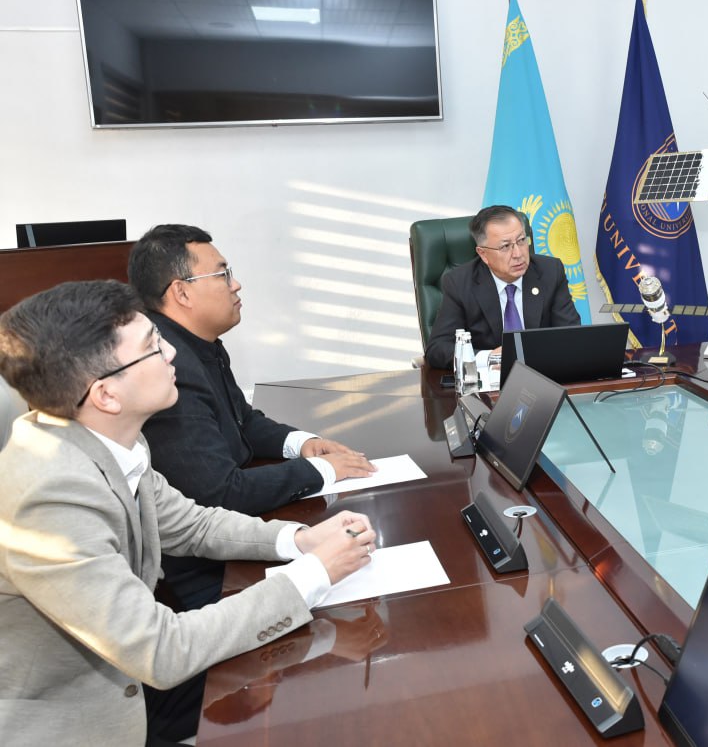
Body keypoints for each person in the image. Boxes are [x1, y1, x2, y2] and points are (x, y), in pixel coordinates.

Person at [0, 280, 378, 745]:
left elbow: (191, 524)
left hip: (132, 672)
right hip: (83, 719)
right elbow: (160, 649)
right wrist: (315, 573)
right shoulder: (47, 499)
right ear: (106, 395)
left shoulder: (108, 438)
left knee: (306, 673)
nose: (173, 353)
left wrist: (300, 540)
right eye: (153, 347)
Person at [128, 224, 376, 611]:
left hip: (235, 541)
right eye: (223, 274)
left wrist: (302, 444)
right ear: (182, 292)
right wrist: (321, 470)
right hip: (209, 573)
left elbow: (242, 420)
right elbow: (221, 493)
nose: (236, 284)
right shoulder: (169, 368)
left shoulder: (197, 345)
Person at [424, 205, 580, 369]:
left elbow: (571, 336)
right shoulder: (459, 283)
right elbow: (437, 349)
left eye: (521, 240)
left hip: (544, 373)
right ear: (483, 254)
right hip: (491, 380)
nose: (518, 254)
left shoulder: (550, 272)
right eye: (505, 246)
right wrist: (490, 358)